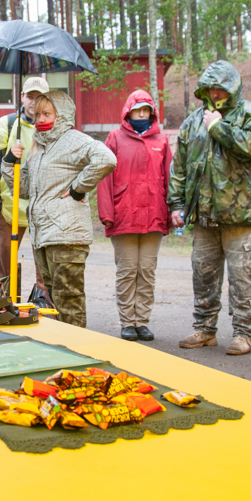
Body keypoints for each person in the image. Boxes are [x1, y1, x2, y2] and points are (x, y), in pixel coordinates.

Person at [167, 61, 251, 356]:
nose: (216, 92)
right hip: (203, 215)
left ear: (232, 88)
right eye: (211, 87)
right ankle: (205, 329)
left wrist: (219, 128)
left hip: (238, 215)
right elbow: (179, 166)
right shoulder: (193, 121)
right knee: (203, 275)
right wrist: (177, 204)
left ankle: (244, 333)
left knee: (242, 277)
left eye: (222, 87)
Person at [5, 90, 115, 328]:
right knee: (54, 300)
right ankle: (64, 350)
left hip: (66, 234)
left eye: (47, 114)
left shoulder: (73, 140)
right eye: (37, 114)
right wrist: (9, 161)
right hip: (44, 236)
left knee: (68, 300)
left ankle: (77, 351)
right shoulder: (39, 147)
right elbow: (23, 189)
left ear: (61, 115)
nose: (41, 119)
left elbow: (106, 158)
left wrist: (78, 188)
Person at [97, 89, 171, 341]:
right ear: (128, 112)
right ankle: (127, 321)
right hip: (124, 215)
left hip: (154, 216)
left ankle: (142, 321)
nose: (142, 114)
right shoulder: (115, 138)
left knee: (147, 271)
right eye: (138, 109)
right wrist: (106, 213)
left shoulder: (162, 141)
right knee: (128, 271)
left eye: (146, 110)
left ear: (152, 113)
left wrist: (171, 212)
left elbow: (169, 179)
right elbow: (104, 177)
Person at [0, 75, 48, 281]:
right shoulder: (6, 125)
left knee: (45, 269)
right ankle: (4, 305)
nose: (33, 101)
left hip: (42, 209)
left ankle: (43, 306)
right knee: (4, 268)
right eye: (30, 96)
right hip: (10, 209)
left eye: (39, 97)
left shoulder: (53, 128)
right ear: (22, 97)